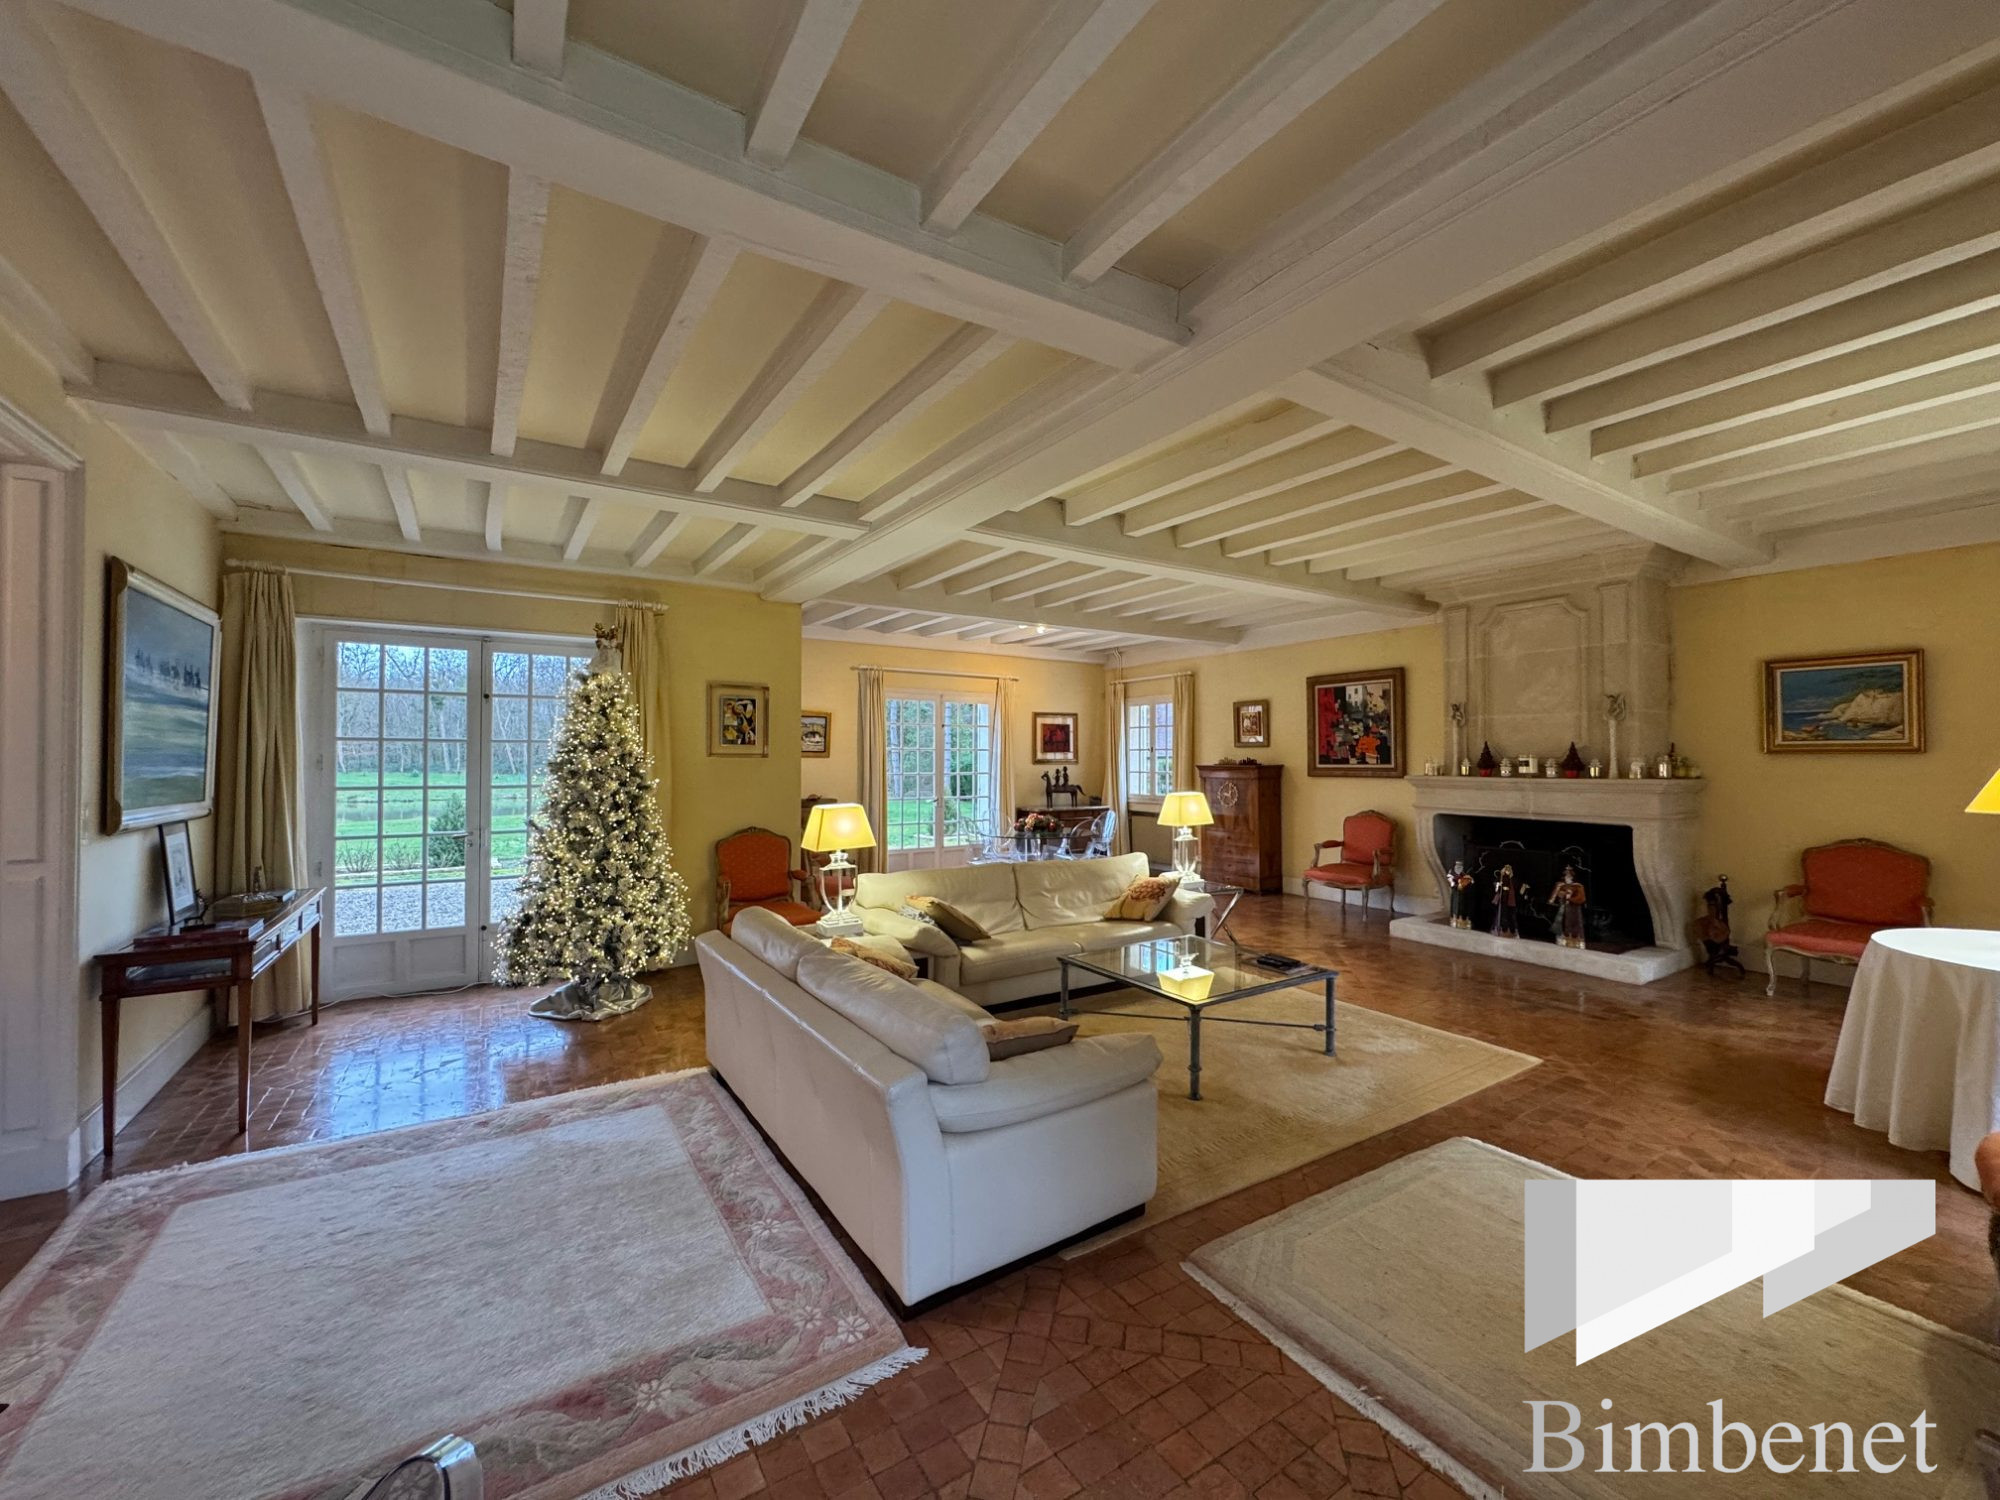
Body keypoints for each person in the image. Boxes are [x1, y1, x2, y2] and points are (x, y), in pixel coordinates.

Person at [1549, 866, 1587, 949]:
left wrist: (1570, 898)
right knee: (1563, 924)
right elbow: (1556, 895)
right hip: (1564, 908)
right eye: (1566, 876)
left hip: (1574, 909)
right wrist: (1560, 895)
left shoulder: (1578, 886)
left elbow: (1581, 898)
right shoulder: (1561, 885)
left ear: (1572, 877)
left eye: (1569, 876)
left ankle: (1576, 942)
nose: (1567, 878)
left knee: (1575, 924)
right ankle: (1563, 940)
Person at [1490, 865, 1519, 938]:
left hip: (1510, 901)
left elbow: (1515, 888)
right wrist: (1499, 885)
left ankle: (1512, 931)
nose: (1507, 871)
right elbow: (1496, 886)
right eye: (1506, 869)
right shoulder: (1501, 878)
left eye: (1509, 870)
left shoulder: (1512, 879)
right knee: (1499, 915)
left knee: (1511, 916)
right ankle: (1497, 929)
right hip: (1502, 899)